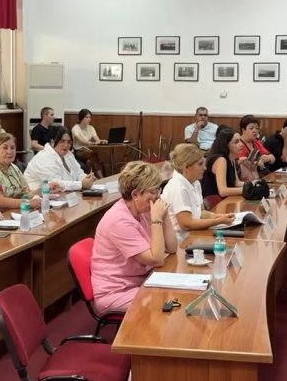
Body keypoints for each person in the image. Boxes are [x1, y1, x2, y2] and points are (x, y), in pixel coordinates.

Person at [91, 161, 174, 313]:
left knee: (176, 295)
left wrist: (165, 213)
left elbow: (172, 247)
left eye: (159, 190)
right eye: (153, 191)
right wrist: (157, 220)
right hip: (117, 291)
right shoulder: (118, 220)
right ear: (136, 194)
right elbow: (157, 259)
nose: (158, 196)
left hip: (141, 280)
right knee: (164, 304)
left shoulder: (143, 209)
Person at [161, 144, 235, 242]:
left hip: (194, 237)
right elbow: (186, 224)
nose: (205, 168)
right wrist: (218, 221)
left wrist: (220, 216)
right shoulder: (178, 187)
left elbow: (201, 213)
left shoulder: (195, 183)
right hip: (181, 243)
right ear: (187, 167)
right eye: (200, 164)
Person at [24, 126, 95, 191]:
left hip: (62, 196)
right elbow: (56, 184)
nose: (66, 145)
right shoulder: (44, 158)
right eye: (62, 141)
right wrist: (81, 184)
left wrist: (87, 178)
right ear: (52, 142)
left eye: (69, 142)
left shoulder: (68, 154)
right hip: (37, 198)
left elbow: (79, 172)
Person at [201, 127, 244, 199]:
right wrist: (246, 190)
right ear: (226, 145)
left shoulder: (231, 157)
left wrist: (253, 184)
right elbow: (223, 191)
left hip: (224, 199)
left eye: (240, 141)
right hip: (213, 201)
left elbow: (236, 183)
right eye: (236, 142)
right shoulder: (221, 160)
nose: (241, 144)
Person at [71, 108, 107, 178]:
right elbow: (82, 141)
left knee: (90, 160)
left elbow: (97, 140)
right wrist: (93, 143)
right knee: (94, 154)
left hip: (88, 151)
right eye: (86, 117)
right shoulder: (75, 128)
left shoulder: (91, 128)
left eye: (90, 117)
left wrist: (101, 141)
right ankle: (101, 177)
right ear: (81, 118)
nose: (89, 119)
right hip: (78, 151)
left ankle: (93, 178)